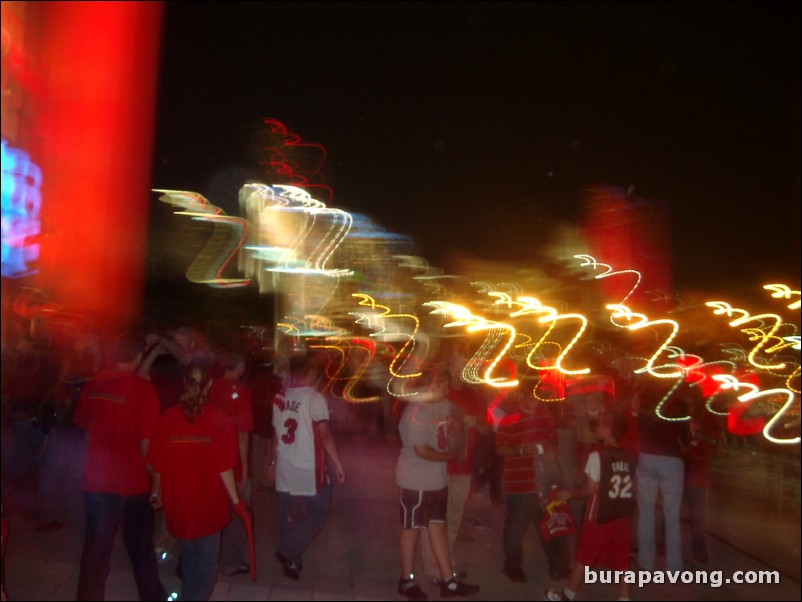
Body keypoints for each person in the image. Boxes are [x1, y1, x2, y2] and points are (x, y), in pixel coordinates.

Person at [72, 335, 167, 601]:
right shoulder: (143, 390)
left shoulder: (93, 385)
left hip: (96, 483)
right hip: (132, 486)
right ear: (138, 357)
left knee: (95, 551)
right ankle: (152, 597)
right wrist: (158, 484)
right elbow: (147, 445)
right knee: (141, 550)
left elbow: (86, 429)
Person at [148, 363, 250, 602]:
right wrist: (237, 501)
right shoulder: (220, 419)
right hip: (208, 508)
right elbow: (225, 467)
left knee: (189, 560)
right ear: (211, 384)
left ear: (184, 383)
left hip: (178, 506)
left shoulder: (168, 418)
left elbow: (157, 463)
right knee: (204, 570)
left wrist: (156, 491)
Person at [395, 367, 480, 600]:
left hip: (436, 481)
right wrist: (451, 455)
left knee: (437, 528)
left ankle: (448, 581)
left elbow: (457, 415)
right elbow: (422, 451)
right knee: (411, 530)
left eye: (445, 384)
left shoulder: (441, 406)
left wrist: (466, 420)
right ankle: (406, 580)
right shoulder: (417, 411)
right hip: (415, 480)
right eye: (440, 385)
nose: (446, 389)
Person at [267, 352, 346, 581]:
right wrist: (338, 463)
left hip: (285, 465)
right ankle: (288, 551)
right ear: (310, 374)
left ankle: (291, 559)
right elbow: (325, 435)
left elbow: (275, 434)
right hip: (309, 468)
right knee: (318, 511)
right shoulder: (315, 399)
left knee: (287, 516)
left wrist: (271, 462)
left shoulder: (279, 397)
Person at [544, 411, 635, 602]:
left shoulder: (598, 456)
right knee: (622, 559)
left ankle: (568, 595)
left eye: (602, 423)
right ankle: (624, 598)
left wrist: (569, 494)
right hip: (622, 515)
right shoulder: (630, 456)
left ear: (609, 429)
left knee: (583, 556)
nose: (597, 427)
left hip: (599, 515)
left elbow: (590, 489)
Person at [496, 387, 571, 584]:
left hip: (544, 482)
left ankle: (559, 566)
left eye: (537, 399)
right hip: (519, 484)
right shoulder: (509, 418)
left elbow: (553, 443)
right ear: (522, 395)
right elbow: (501, 448)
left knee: (553, 525)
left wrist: (550, 453)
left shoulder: (546, 416)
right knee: (515, 529)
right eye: (531, 398)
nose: (535, 402)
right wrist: (520, 451)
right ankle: (512, 567)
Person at [206, 351, 253, 577]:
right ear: (239, 365)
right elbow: (243, 435)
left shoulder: (209, 386)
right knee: (237, 514)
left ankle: (208, 559)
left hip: (207, 460)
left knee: (212, 512)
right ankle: (230, 562)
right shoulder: (240, 392)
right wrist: (244, 469)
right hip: (230, 463)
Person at [635, 377, 690, 573]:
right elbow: (685, 438)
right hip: (670, 459)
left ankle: (644, 562)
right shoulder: (678, 402)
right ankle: (674, 567)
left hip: (647, 456)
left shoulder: (645, 400)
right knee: (672, 516)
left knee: (646, 512)